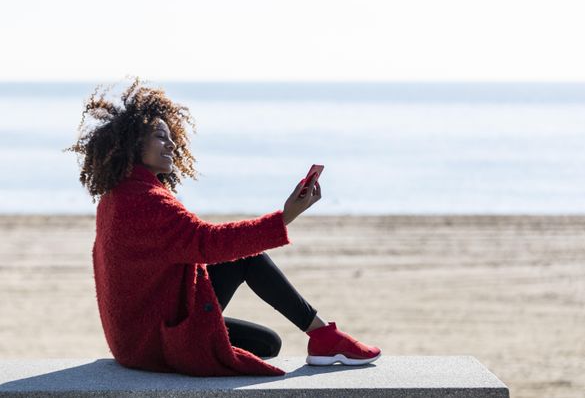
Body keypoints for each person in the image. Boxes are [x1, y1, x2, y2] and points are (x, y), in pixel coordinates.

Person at [65, 77, 381, 377]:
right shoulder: (145, 202)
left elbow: (193, 245)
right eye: (161, 136)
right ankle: (324, 335)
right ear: (132, 145)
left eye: (171, 136)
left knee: (267, 344)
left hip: (136, 338)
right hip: (152, 342)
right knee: (244, 256)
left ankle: (323, 336)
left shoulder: (119, 194)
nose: (172, 144)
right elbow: (207, 242)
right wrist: (285, 216)